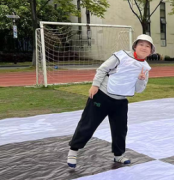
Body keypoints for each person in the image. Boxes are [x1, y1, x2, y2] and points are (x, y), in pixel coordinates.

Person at [66, 34, 155, 168]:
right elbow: (103, 69)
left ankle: (118, 155)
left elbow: (139, 90)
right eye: (141, 44)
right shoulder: (121, 56)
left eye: (147, 46)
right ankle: (73, 151)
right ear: (135, 46)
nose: (144, 47)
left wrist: (141, 79)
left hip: (120, 102)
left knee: (120, 130)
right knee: (88, 124)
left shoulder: (145, 68)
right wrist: (95, 85)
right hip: (102, 95)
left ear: (151, 51)